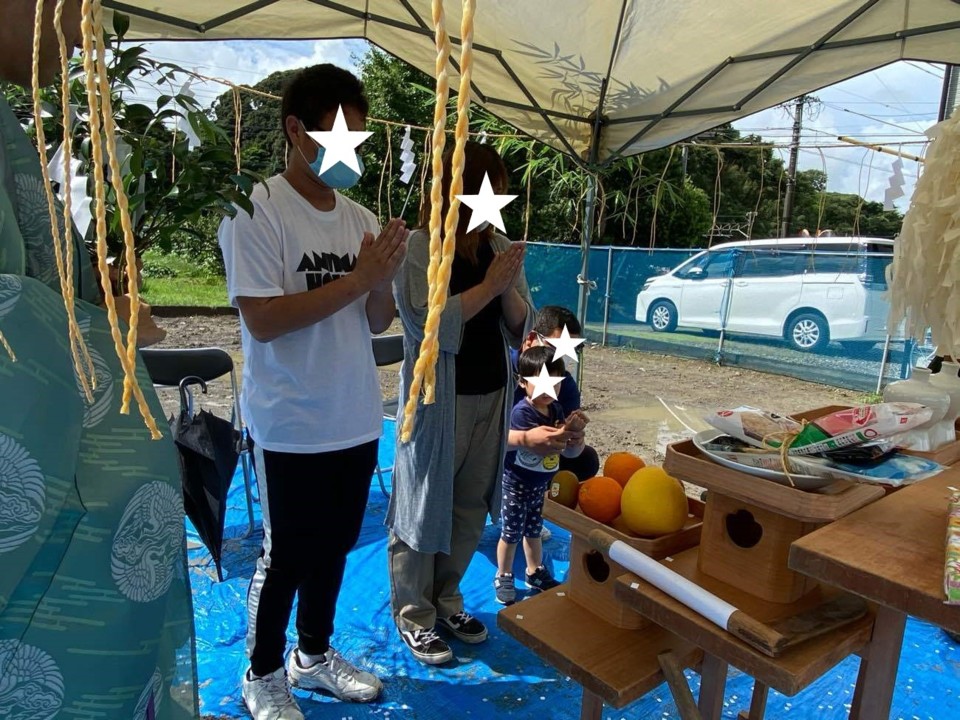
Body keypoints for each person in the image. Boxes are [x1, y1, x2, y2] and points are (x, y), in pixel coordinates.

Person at [1, 2, 196, 718]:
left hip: (81, 552)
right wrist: (94, 325)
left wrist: (90, 302)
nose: (86, 25)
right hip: (43, 587)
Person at [218, 64, 406, 720]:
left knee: (336, 543)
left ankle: (314, 655)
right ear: (296, 130)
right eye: (336, 135)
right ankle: (263, 672)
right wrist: (357, 279)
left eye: (357, 136)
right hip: (290, 420)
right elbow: (264, 320)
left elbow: (375, 320)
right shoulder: (256, 210)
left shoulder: (358, 216)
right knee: (289, 552)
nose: (347, 151)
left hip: (353, 415)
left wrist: (382, 279)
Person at [387, 140, 538, 665]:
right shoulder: (420, 247)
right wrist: (489, 287)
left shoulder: (499, 247)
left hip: (491, 396)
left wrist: (506, 287)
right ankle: (414, 614)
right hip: (437, 402)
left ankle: (447, 600)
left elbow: (521, 326)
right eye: (487, 189)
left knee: (469, 505)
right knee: (422, 503)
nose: (494, 202)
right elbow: (424, 325)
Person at [494, 346, 586, 604]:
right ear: (523, 383)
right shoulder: (522, 412)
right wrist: (565, 431)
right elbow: (541, 438)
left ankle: (534, 571)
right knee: (510, 533)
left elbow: (564, 444)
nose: (549, 389)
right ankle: (504, 574)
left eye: (555, 383)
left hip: (540, 485)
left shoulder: (556, 410)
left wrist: (573, 433)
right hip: (516, 484)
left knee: (533, 531)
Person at [510, 305, 599, 481]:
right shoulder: (499, 368)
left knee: (586, 460)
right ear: (530, 339)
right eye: (553, 347)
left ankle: (547, 487)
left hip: (541, 460)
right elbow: (478, 436)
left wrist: (574, 440)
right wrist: (524, 439)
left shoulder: (565, 385)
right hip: (498, 456)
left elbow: (569, 451)